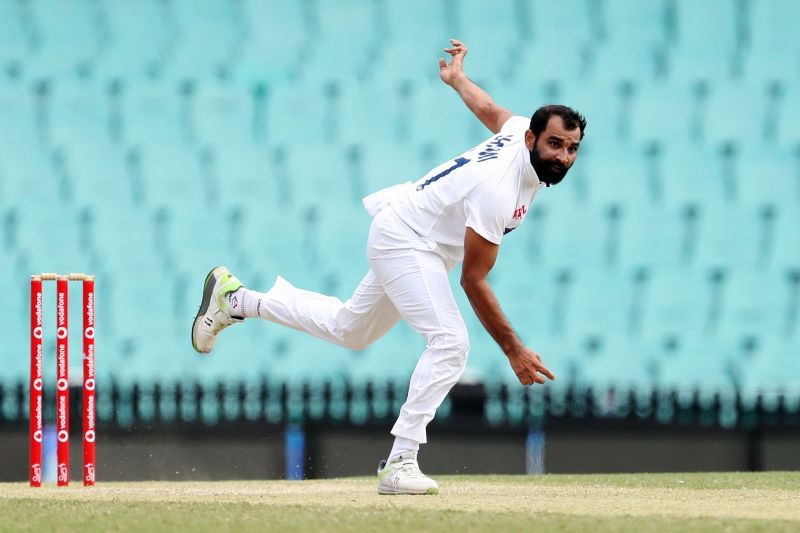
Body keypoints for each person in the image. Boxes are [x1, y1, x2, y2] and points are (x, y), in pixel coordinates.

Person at [191, 39, 586, 495]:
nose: (563, 157)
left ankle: (237, 299)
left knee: (351, 330)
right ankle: (401, 461)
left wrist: (458, 80)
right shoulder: (499, 189)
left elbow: (492, 109)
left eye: (572, 148)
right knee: (451, 344)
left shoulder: (519, 133)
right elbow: (473, 279)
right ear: (532, 138)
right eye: (555, 144)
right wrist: (513, 349)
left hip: (412, 231)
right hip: (408, 240)